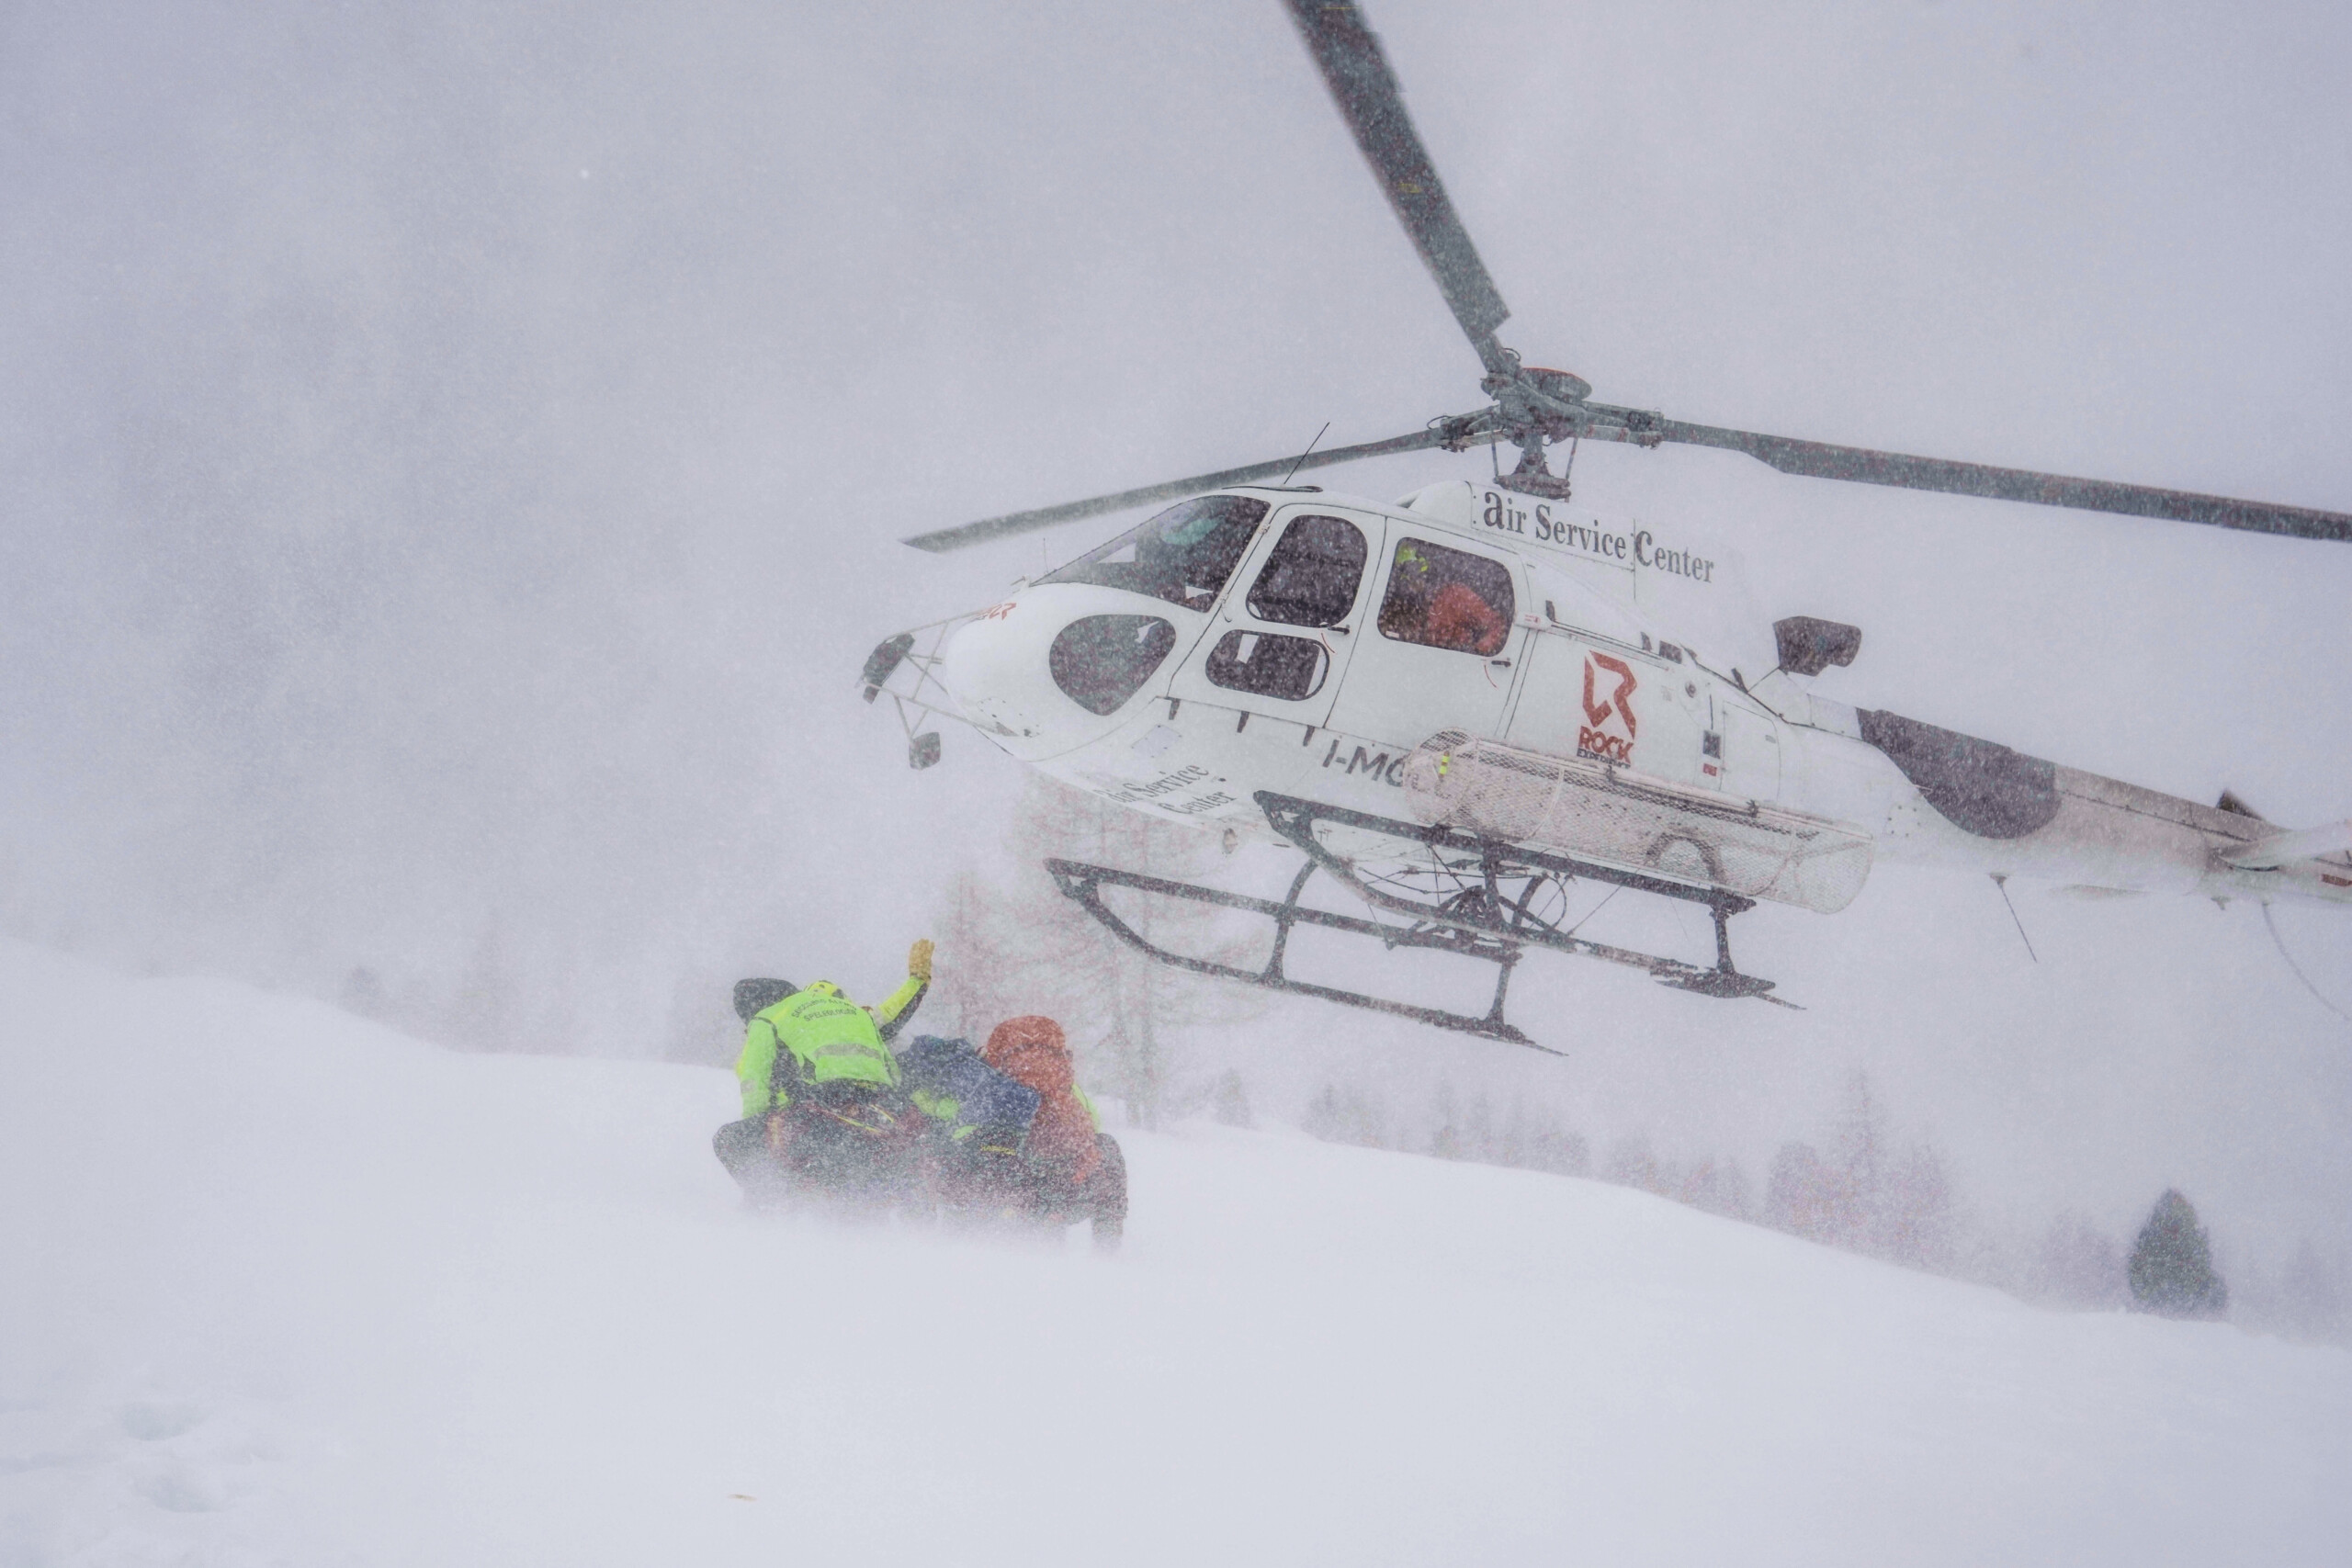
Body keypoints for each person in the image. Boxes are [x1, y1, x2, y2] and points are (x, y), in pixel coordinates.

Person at [711, 939, 933, 1208]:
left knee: (732, 1140)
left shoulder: (768, 1017)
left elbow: (755, 1082)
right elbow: (891, 1022)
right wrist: (916, 982)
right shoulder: (857, 1014)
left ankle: (771, 1206)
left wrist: (762, 1133)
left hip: (822, 1107)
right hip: (883, 1107)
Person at [965, 1015, 1127, 1248]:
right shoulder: (1066, 1087)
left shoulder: (990, 1086)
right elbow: (1093, 1127)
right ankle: (1107, 1244)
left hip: (1013, 1198)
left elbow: (967, 1129)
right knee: (1106, 1146)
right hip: (1069, 1189)